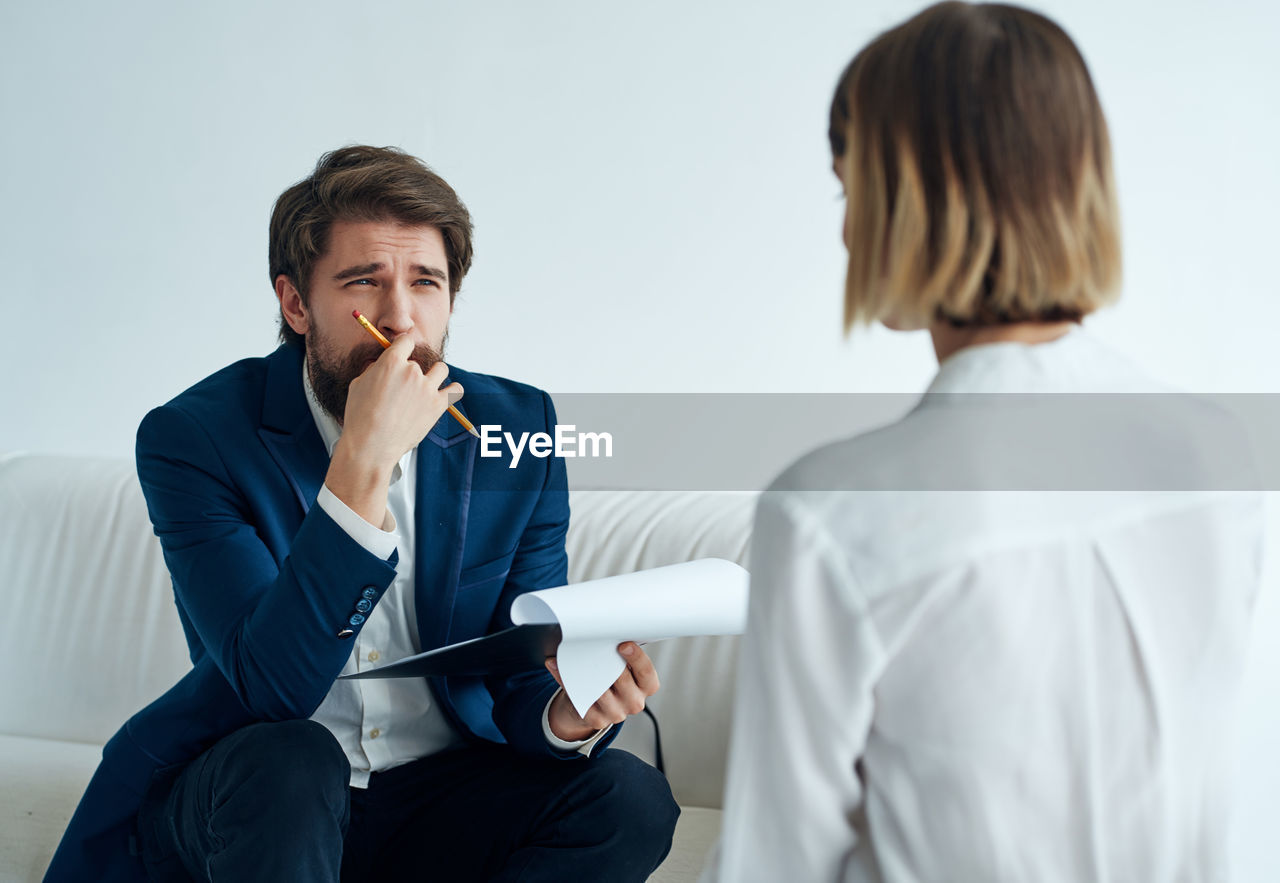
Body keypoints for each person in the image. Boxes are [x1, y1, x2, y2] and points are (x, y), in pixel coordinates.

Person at [703, 3, 1263, 881]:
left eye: (853, 190)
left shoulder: (832, 509)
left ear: (910, 199)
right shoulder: (1227, 456)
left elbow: (773, 863)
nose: (847, 232)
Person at [46, 145, 679, 882]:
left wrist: (563, 713)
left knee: (628, 795)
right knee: (295, 756)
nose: (401, 318)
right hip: (262, 791)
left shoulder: (515, 428)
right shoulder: (194, 438)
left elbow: (519, 662)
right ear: (295, 303)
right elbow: (271, 686)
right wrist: (364, 461)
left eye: (426, 284)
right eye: (364, 282)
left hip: (438, 793)